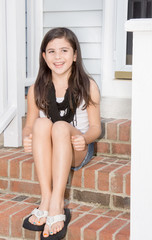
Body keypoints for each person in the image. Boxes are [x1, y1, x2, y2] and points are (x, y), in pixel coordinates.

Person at [22, 27, 101, 240]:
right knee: (40, 124)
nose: (58, 57)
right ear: (44, 56)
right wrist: (27, 136)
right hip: (50, 148)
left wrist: (84, 139)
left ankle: (57, 203)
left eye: (64, 51)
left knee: (59, 126)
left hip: (77, 148)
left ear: (75, 55)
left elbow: (96, 127)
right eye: (52, 51)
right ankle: (46, 199)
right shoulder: (36, 88)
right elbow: (29, 125)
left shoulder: (88, 85)